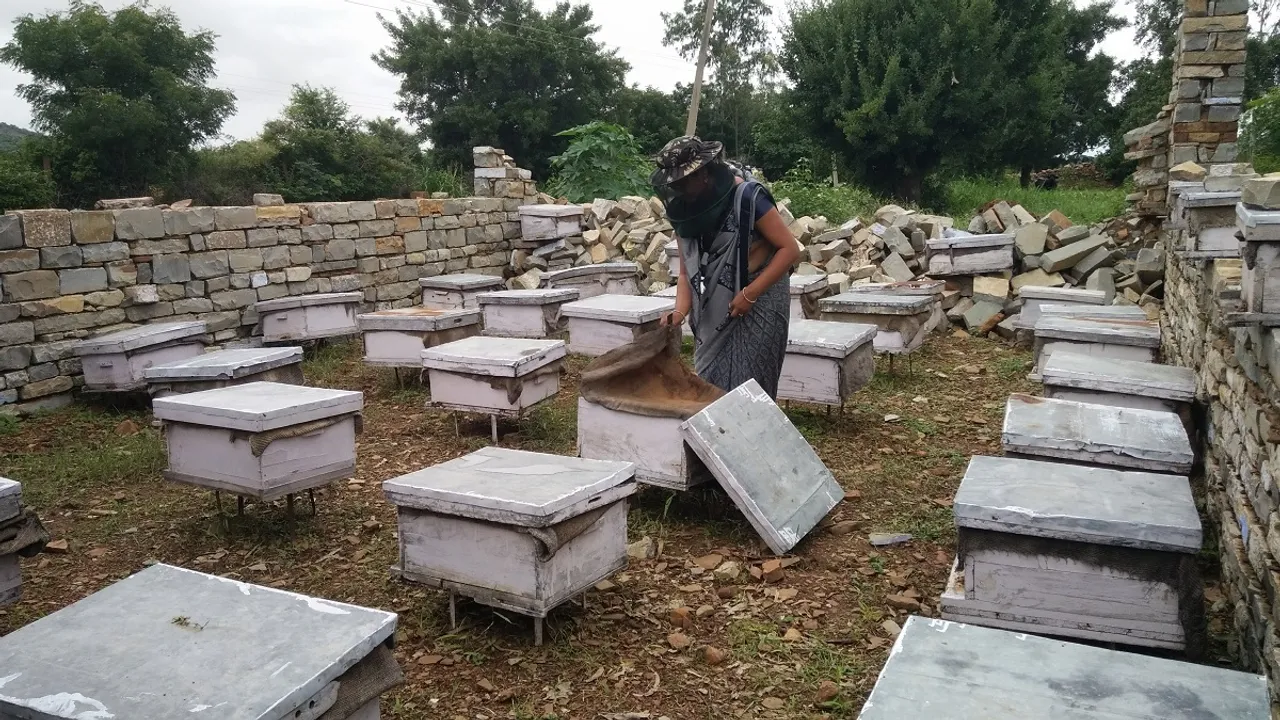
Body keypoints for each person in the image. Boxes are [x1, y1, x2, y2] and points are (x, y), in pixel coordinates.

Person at [651, 136, 800, 398]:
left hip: (762, 298)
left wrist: (750, 293)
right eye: (675, 184)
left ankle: (753, 437)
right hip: (717, 304)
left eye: (685, 181)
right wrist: (678, 312)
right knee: (710, 381)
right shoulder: (684, 214)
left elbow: (789, 250)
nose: (680, 189)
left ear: (704, 174)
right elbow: (687, 274)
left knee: (751, 386)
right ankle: (718, 437)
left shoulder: (748, 198)